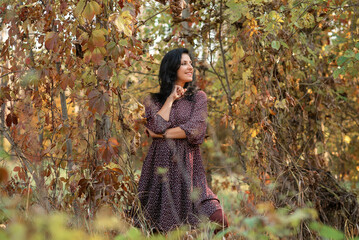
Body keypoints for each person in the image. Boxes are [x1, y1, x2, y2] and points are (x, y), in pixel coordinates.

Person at [138, 48, 228, 233]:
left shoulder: (198, 98)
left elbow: (195, 131)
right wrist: (170, 99)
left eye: (191, 63)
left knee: (220, 220)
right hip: (160, 172)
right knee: (162, 230)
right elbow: (155, 124)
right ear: (172, 68)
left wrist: (160, 135)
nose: (191, 67)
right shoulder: (153, 100)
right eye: (184, 63)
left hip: (191, 172)